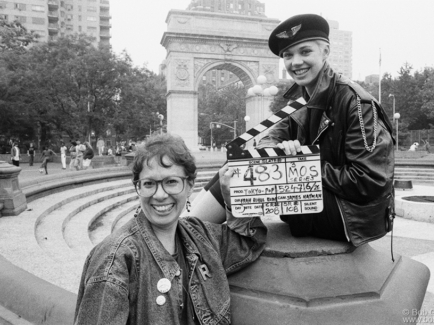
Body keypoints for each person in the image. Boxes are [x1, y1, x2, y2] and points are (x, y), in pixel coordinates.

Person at [191, 14, 395, 247]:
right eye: (288, 55)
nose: (295, 62)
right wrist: (275, 154)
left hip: (353, 215)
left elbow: (369, 182)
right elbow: (271, 136)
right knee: (234, 169)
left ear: (325, 51)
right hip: (320, 199)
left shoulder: (357, 103)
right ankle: (187, 229)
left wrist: (301, 164)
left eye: (305, 52)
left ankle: (188, 238)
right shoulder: (304, 99)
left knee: (241, 180)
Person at [74, 133, 267, 325]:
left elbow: (250, 240)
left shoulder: (201, 236)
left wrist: (233, 200)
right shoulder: (115, 259)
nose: (160, 195)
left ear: (190, 185)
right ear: (137, 187)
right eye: (149, 184)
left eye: (171, 182)